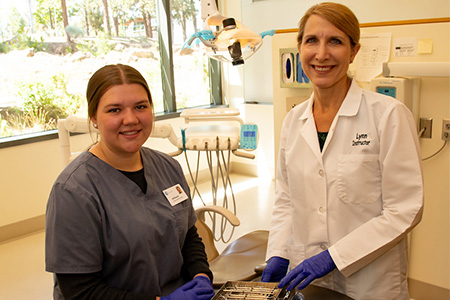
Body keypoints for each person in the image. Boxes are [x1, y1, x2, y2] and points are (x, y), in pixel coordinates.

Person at [261, 2, 423, 300]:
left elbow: (405, 210)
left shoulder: (387, 115)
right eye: (312, 40)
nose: (321, 54)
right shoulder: (293, 121)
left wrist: (334, 257)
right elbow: (286, 198)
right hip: (306, 276)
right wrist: (279, 253)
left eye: (335, 41)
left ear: (354, 50)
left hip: (370, 281)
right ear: (299, 48)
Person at [45, 64, 215, 300]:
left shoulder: (168, 168)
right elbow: (80, 291)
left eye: (140, 107)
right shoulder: (74, 190)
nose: (131, 119)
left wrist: (201, 276)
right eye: (115, 110)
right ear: (94, 118)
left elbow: (188, 236)